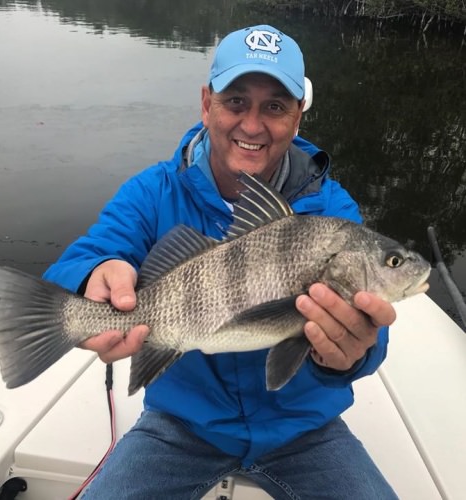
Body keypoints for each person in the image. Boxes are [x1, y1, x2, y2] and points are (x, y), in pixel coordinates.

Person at [44, 24, 397, 499]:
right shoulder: (153, 192)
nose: (252, 125)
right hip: (183, 423)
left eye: (274, 106)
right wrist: (94, 274)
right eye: (235, 101)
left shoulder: (333, 213)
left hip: (303, 429)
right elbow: (84, 258)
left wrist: (348, 357)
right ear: (206, 103)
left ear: (298, 118)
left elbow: (371, 336)